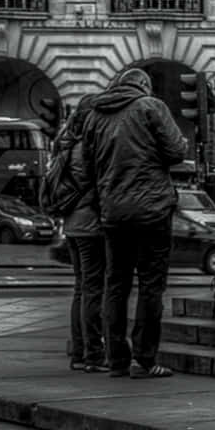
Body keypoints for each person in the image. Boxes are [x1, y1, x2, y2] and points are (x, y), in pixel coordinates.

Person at [72, 67, 186, 379]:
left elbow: (88, 166)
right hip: (152, 210)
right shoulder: (151, 107)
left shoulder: (95, 115)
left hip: (112, 212)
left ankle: (117, 361)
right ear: (144, 87)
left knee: (115, 284)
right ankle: (145, 359)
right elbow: (177, 151)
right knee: (151, 285)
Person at [53, 97, 108, 372]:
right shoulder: (88, 149)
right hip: (90, 227)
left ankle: (78, 352)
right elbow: (101, 185)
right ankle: (94, 356)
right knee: (94, 290)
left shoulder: (63, 145)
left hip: (72, 225)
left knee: (80, 289)